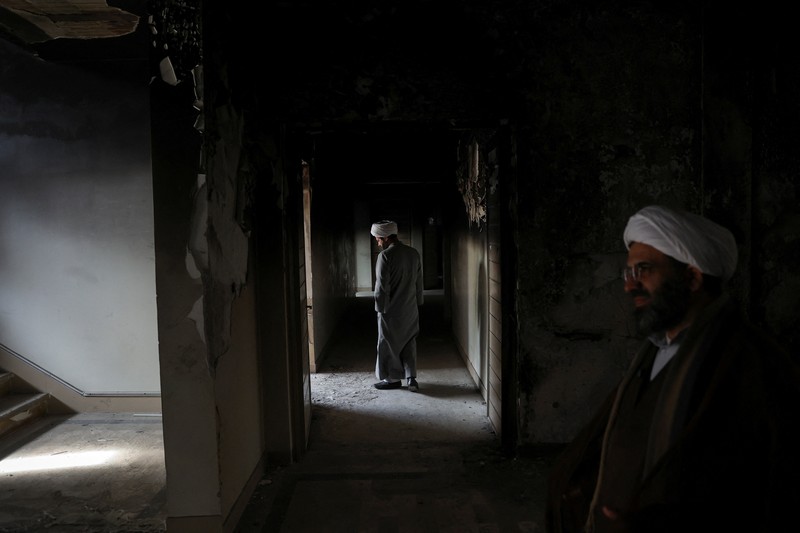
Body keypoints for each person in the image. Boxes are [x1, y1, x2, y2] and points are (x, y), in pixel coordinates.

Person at [546, 205, 800, 533]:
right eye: (628, 273)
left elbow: (752, 491)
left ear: (692, 278)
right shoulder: (656, 349)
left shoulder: (753, 362)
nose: (630, 286)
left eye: (644, 270)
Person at [370, 220, 424, 391]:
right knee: (409, 342)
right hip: (410, 308)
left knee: (388, 343)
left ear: (386, 238)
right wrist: (419, 301)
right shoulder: (413, 253)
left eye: (378, 238)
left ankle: (392, 379)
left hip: (391, 309)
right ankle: (411, 378)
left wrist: (380, 308)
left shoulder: (385, 256)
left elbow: (381, 287)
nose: (377, 241)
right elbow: (418, 282)